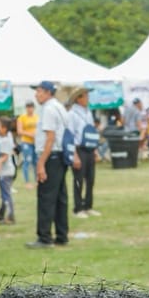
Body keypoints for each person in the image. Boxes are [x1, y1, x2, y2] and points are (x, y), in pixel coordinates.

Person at [26, 80, 75, 249]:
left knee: (46, 198)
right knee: (61, 198)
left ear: (47, 92)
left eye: (39, 91)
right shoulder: (59, 107)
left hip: (50, 156)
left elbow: (50, 137)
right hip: (60, 156)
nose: (36, 94)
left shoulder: (48, 109)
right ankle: (62, 235)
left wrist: (40, 164)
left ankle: (44, 237)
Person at [67, 87, 100, 218]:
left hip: (90, 148)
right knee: (78, 180)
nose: (88, 98)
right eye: (85, 96)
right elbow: (70, 135)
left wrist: (95, 150)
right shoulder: (72, 114)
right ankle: (78, 208)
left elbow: (92, 132)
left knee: (90, 179)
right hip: (78, 149)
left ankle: (88, 205)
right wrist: (74, 155)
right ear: (78, 98)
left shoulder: (88, 113)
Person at [0, 116, 16, 225]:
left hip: (5, 172)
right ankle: (0, 214)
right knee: (4, 193)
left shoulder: (5, 140)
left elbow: (5, 155)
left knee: (6, 194)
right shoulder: (6, 136)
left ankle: (10, 216)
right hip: (4, 171)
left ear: (4, 128)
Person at [16, 101, 39, 188]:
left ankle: (37, 181)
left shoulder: (37, 117)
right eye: (28, 107)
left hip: (36, 142)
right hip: (26, 142)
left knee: (36, 162)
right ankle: (27, 182)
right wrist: (30, 134)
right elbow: (20, 131)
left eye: (31, 107)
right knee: (27, 161)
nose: (30, 109)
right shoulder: (22, 118)